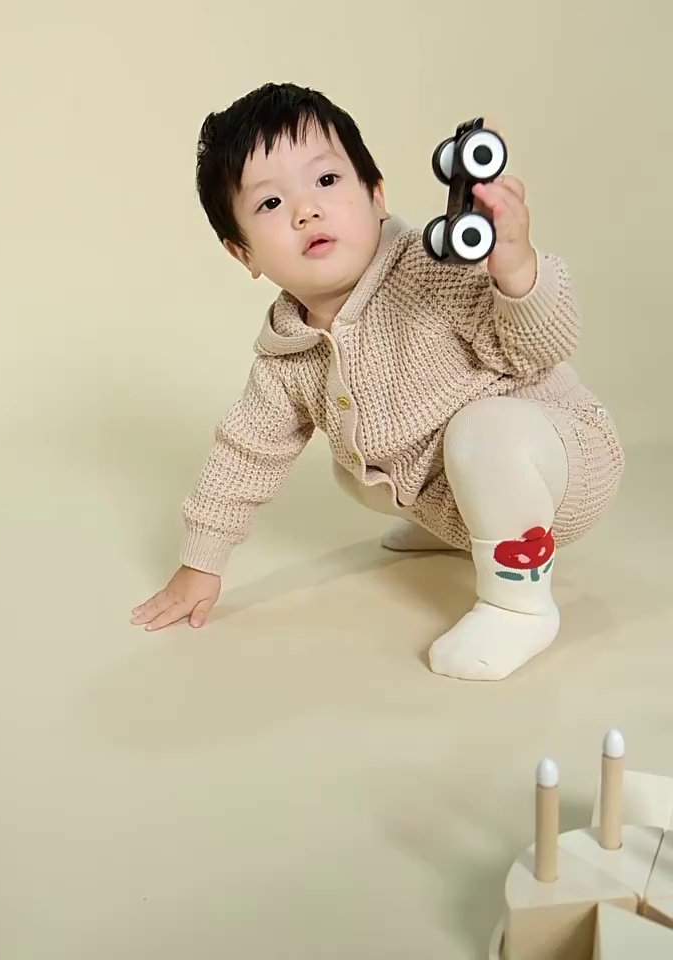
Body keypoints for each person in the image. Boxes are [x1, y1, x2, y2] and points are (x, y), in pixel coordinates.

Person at [130, 82, 624, 681]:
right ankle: (463, 527)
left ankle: (518, 605)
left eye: (326, 180)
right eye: (270, 203)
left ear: (377, 196)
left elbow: (544, 347)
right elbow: (246, 453)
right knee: (356, 467)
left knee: (482, 431)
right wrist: (201, 563)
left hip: (563, 461)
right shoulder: (290, 350)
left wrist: (516, 268)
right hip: (472, 478)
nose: (306, 210)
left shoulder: (430, 268)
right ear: (244, 255)